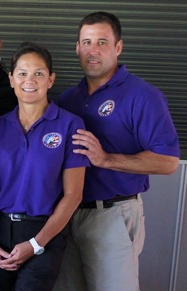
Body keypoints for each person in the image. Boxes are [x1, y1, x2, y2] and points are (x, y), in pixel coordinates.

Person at [53, 12, 180, 291]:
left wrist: (106, 159)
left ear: (118, 47)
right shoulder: (68, 99)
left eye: (102, 42)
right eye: (86, 42)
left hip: (112, 215)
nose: (93, 50)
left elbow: (168, 162)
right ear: (77, 47)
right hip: (67, 216)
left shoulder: (143, 96)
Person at [0, 42, 89, 291]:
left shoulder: (70, 125)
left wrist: (36, 244)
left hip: (44, 234)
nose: (30, 80)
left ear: (50, 80)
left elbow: (74, 195)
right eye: (22, 73)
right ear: (11, 79)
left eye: (38, 73)